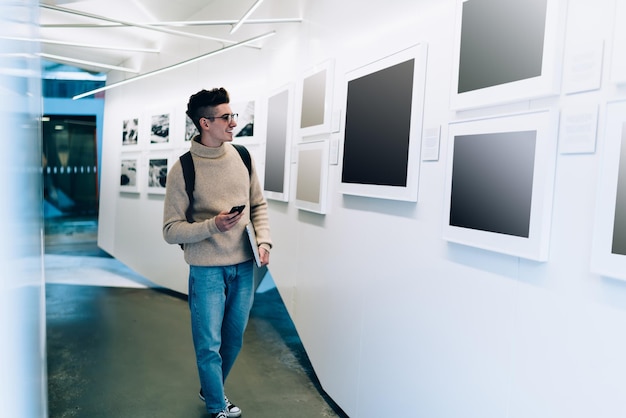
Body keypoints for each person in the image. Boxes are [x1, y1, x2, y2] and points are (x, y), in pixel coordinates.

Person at [162, 87, 272, 418]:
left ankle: (211, 387)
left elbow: (259, 205)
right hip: (206, 270)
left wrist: (264, 241)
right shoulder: (183, 169)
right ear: (205, 123)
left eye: (232, 116)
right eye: (226, 117)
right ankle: (216, 404)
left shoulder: (242, 157)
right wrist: (213, 226)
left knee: (234, 339)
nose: (233, 123)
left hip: (244, 267)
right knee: (209, 345)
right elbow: (170, 231)